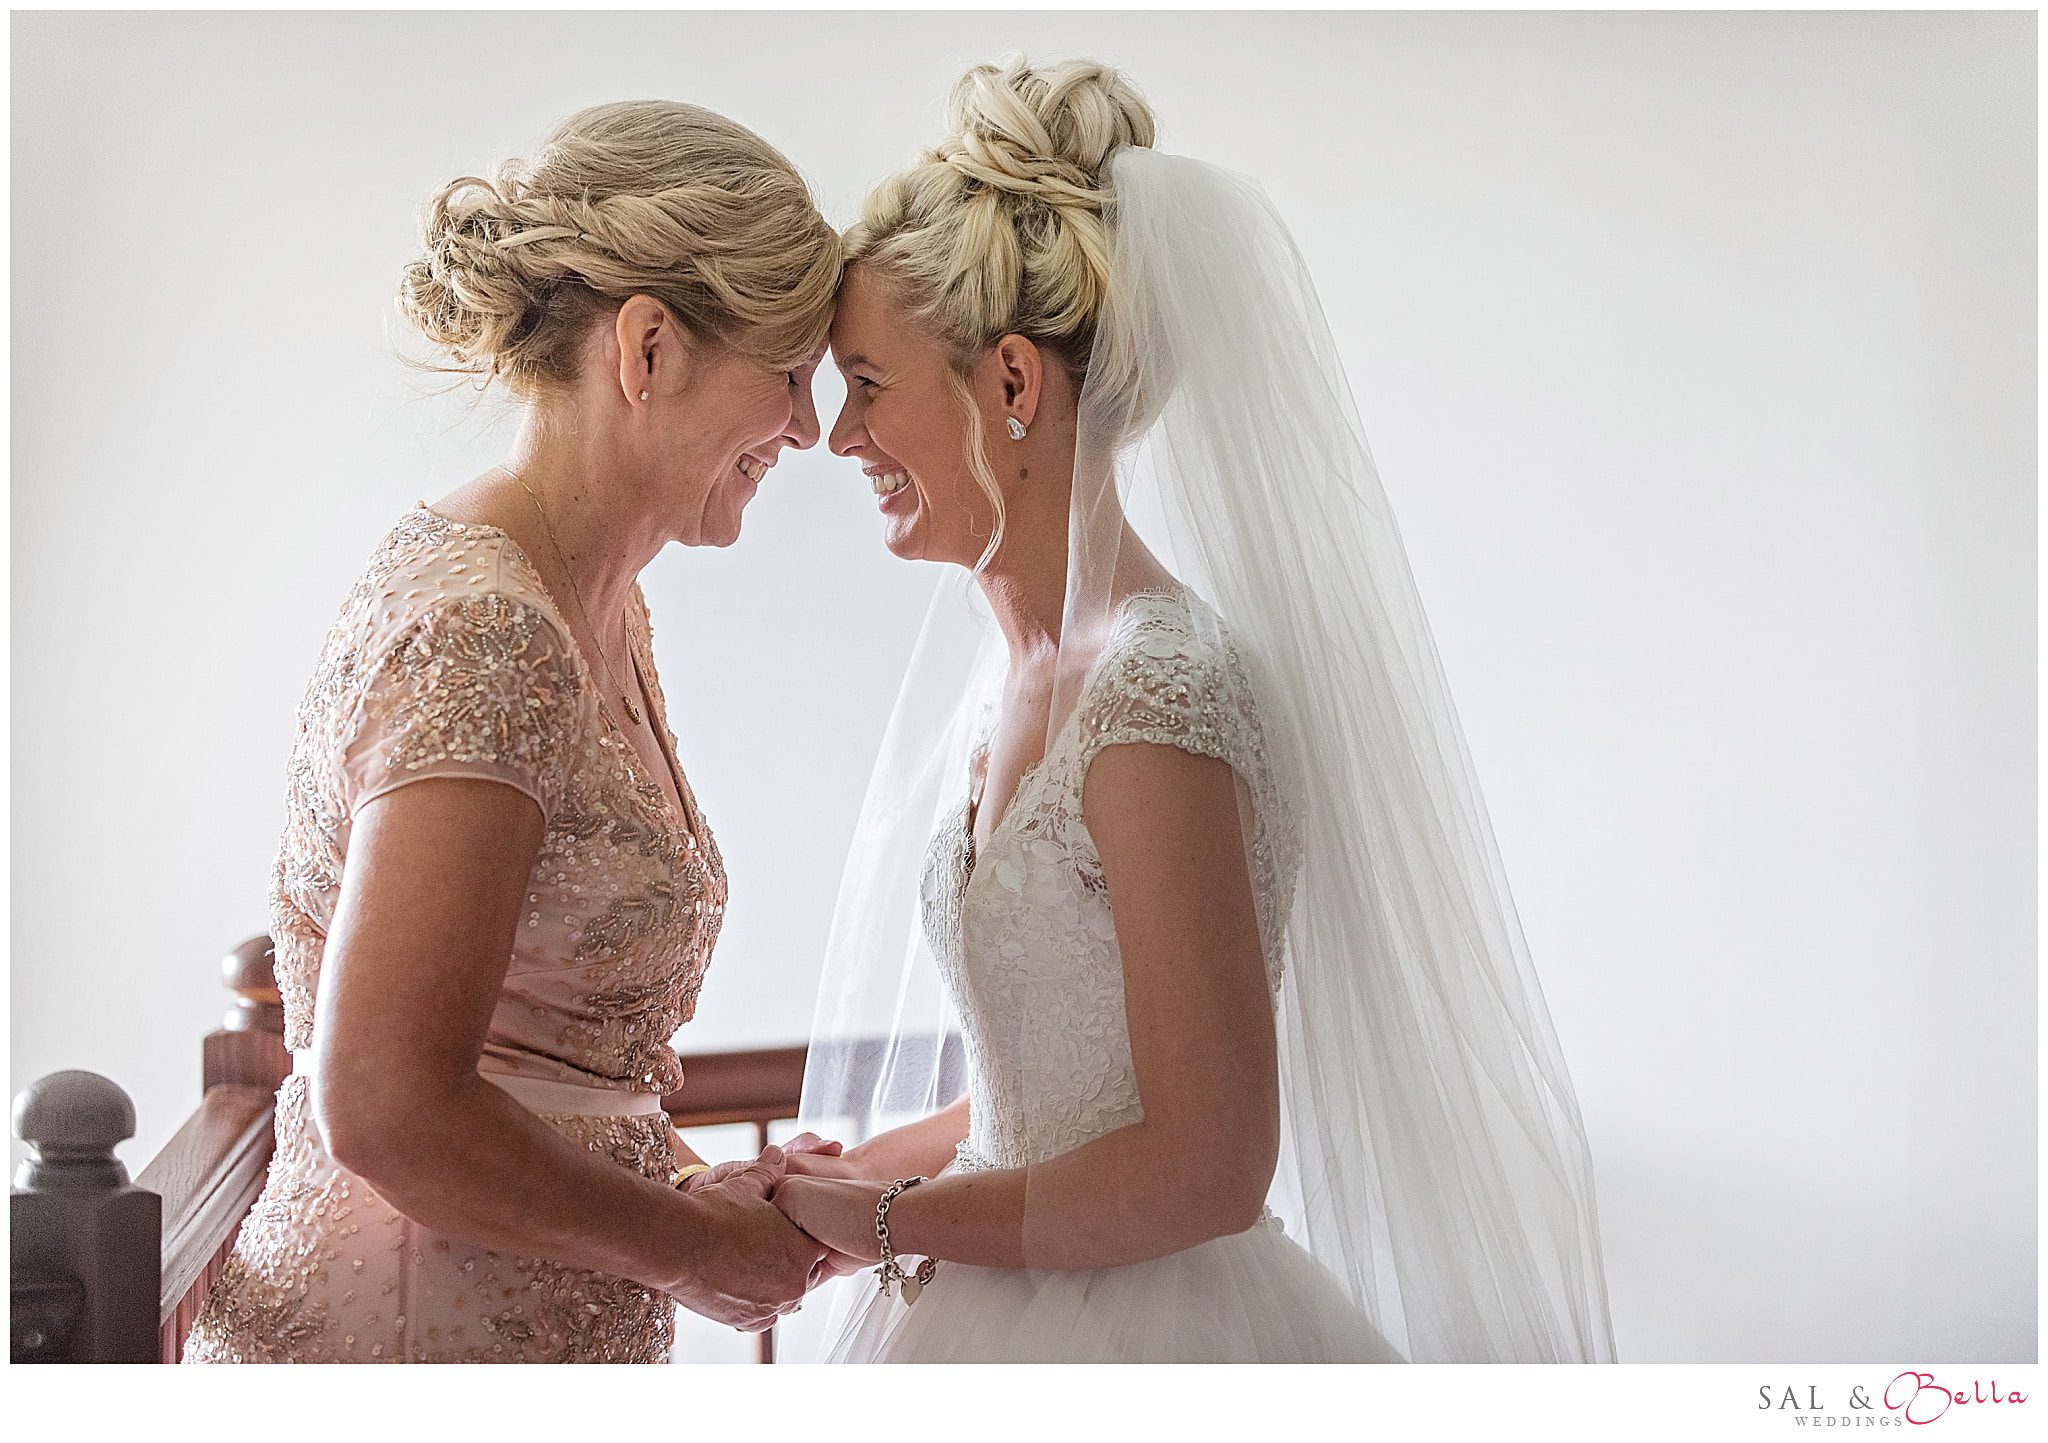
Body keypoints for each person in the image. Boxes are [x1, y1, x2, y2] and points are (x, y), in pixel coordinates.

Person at [781, 57, 1619, 1363]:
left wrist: (883, 1221)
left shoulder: (1156, 694)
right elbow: (1049, 1097)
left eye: (869, 384)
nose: (840, 437)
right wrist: (843, 1177)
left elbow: (1205, 1163)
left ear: (1013, 384)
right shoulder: (1014, 679)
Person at [184, 99, 845, 1363]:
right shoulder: (486, 630)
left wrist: (687, 1184)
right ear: (647, 349)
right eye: (787, 375)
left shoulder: (602, 603)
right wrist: (693, 1249)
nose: (807, 428)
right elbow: (385, 1103)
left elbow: (537, 1059)